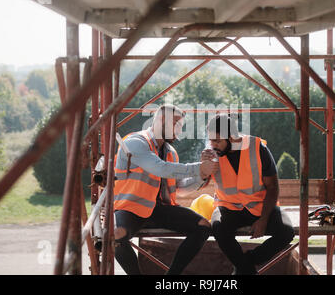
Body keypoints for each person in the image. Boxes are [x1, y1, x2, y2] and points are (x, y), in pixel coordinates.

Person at [113, 104, 218, 275]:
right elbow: (160, 168)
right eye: (177, 124)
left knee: (203, 227)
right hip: (131, 207)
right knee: (115, 235)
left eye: (181, 126)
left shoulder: (171, 152)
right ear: (162, 121)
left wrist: (203, 175)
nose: (179, 130)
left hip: (160, 210)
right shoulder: (135, 142)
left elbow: (180, 188)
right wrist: (199, 167)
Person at [204, 114, 295, 275]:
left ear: (231, 137)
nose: (212, 144)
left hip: (259, 207)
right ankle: (246, 269)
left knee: (287, 232)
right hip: (228, 207)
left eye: (217, 140)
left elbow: (272, 187)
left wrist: (264, 219)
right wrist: (203, 167)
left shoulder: (258, 149)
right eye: (211, 140)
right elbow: (201, 182)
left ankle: (246, 262)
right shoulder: (211, 153)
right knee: (218, 228)